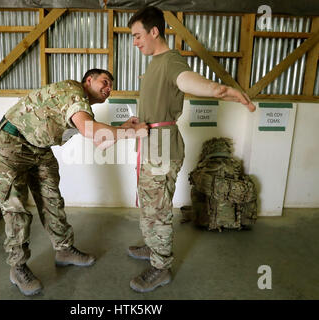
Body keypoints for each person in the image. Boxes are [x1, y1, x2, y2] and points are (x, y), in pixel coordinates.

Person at [127, 6, 256, 293]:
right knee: (150, 203)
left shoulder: (171, 60)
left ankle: (160, 268)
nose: (135, 42)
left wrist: (222, 90)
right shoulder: (154, 62)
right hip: (150, 144)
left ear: (154, 31)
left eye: (137, 36)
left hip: (162, 149)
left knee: (158, 209)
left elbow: (187, 81)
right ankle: (152, 247)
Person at [0, 68, 148, 296]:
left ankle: (64, 250)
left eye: (111, 85)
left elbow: (100, 141)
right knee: (16, 209)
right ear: (88, 81)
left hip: (38, 148)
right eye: (104, 82)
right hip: (10, 143)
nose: (108, 88)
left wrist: (124, 129)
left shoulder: (82, 107)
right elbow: (92, 132)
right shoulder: (74, 92)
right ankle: (18, 266)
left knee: (51, 199)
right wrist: (132, 134)